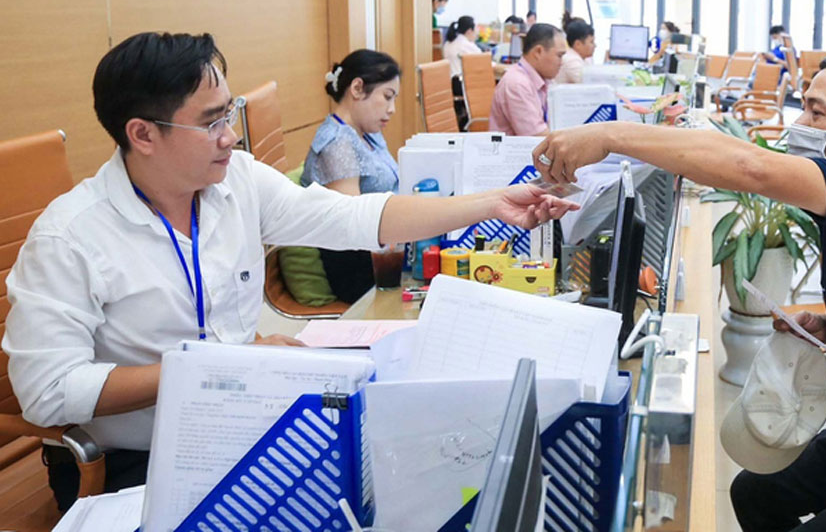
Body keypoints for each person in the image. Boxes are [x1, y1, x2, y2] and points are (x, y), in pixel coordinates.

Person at [2, 32, 577, 510]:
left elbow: (355, 217)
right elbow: (47, 393)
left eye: (229, 113)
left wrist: (491, 203)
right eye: (211, 122)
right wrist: (209, 364)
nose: (230, 136)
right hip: (140, 459)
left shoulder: (237, 181)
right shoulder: (70, 237)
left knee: (408, 467)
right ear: (143, 134)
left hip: (245, 419)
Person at [532, 44, 826, 531]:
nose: (801, 124)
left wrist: (609, 136)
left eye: (817, 113)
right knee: (755, 491)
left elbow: (751, 167)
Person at [299, 49, 400, 303]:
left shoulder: (367, 133)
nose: (392, 109)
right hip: (359, 269)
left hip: (383, 246)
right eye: (387, 97)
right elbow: (352, 224)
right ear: (357, 88)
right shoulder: (337, 145)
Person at [489, 23, 566, 136]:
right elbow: (538, 137)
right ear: (538, 52)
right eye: (559, 56)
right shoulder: (517, 84)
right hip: (523, 147)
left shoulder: (545, 79)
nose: (562, 63)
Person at [554, 12, 596, 84]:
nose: (595, 45)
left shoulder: (582, 59)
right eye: (591, 42)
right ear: (578, 44)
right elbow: (591, 84)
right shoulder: (571, 60)